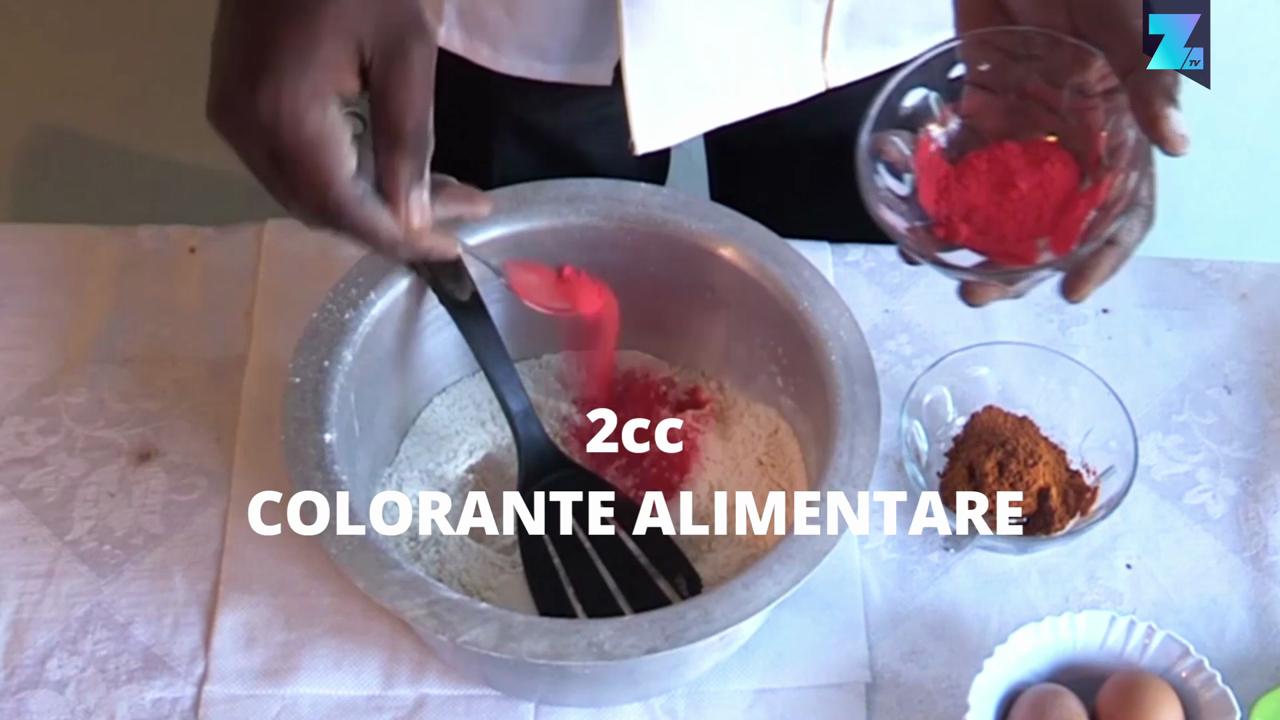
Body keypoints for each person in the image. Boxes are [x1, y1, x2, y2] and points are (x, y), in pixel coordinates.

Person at [207, 0, 1188, 306]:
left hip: (898, 40)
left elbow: (1175, 32)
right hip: (534, 26)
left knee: (841, 322)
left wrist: (1176, 28)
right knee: (521, 308)